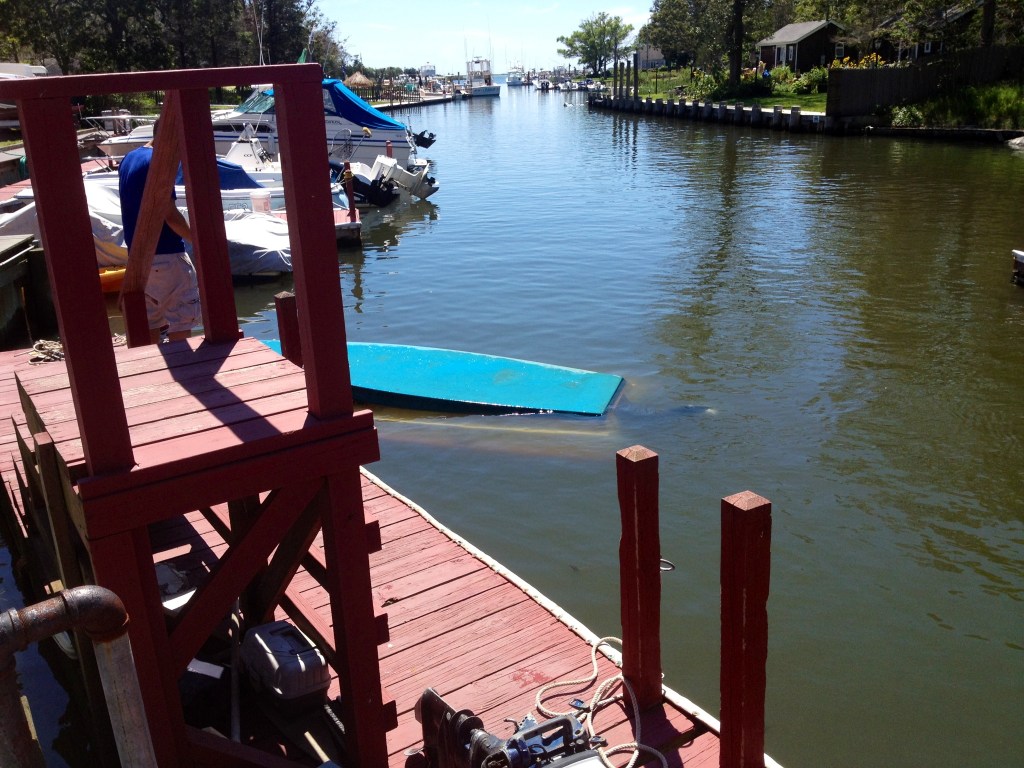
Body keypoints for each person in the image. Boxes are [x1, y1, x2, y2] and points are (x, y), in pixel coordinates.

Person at [118, 118, 200, 343]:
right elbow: (169, 214)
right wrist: (198, 241)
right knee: (182, 320)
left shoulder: (129, 158)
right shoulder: (158, 163)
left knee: (151, 323)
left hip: (139, 259)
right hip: (168, 255)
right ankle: (183, 362)